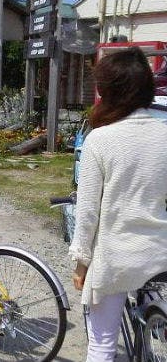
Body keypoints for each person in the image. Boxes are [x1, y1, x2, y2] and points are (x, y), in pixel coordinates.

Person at [69, 47, 167, 362]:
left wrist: (82, 263)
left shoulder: (100, 139)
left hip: (117, 257)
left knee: (101, 346)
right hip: (161, 252)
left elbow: (87, 214)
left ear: (109, 90)